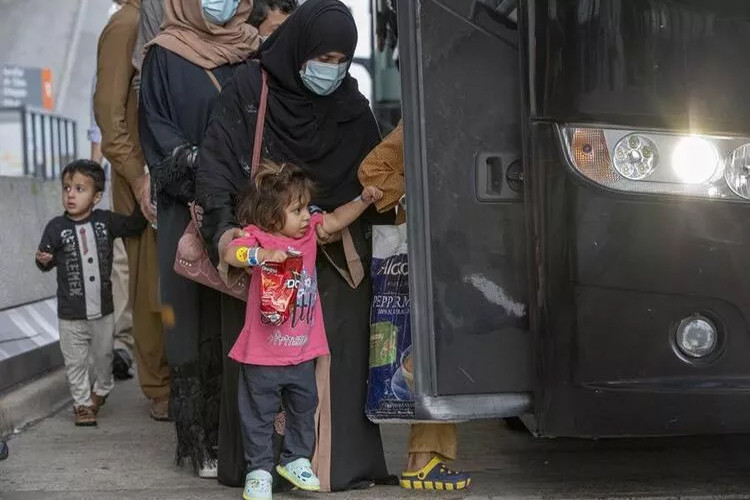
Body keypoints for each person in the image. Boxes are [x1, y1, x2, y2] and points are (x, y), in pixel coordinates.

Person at [197, 0, 395, 489]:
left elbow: (370, 177)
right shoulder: (249, 88)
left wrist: (343, 215)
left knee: (333, 370)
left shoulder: (351, 103)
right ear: (299, 46)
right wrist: (226, 237)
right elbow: (217, 168)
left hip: (332, 257)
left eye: (339, 60)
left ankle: (333, 468)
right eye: (321, 57)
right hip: (259, 261)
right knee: (260, 377)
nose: (330, 70)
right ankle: (260, 473)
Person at [138, 0, 257, 479]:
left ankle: (239, 435)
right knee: (190, 316)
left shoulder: (253, 50)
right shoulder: (162, 55)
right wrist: (196, 164)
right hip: (185, 207)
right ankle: (199, 439)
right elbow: (155, 124)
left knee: (239, 315)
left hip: (241, 205)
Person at [223, 161, 383, 499]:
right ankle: (259, 471)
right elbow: (231, 252)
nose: (306, 216)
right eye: (296, 210)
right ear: (269, 215)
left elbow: (337, 218)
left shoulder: (309, 234)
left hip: (301, 350)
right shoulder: (258, 236)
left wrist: (364, 200)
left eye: (307, 207)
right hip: (262, 355)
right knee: (258, 416)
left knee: (305, 405)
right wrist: (260, 254)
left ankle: (295, 459)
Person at [358, 121, 472, 490]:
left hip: (454, 248)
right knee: (437, 351)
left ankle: (421, 459)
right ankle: (423, 460)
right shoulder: (427, 113)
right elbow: (372, 170)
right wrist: (420, 193)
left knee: (436, 350)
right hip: (432, 250)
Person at [94, 0, 172, 421]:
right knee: (149, 286)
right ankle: (160, 386)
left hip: (168, 172)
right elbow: (110, 116)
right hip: (139, 177)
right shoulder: (127, 24)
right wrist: (136, 174)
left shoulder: (170, 17)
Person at [34, 160, 147, 426]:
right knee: (75, 363)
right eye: (67, 188)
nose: (71, 194)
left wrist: (143, 197)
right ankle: (82, 405)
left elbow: (133, 227)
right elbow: (44, 261)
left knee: (104, 359)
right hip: (70, 315)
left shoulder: (105, 221)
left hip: (102, 313)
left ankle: (102, 390)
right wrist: (43, 259)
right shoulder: (55, 228)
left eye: (80, 189)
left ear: (96, 197)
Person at [88, 0, 136, 382]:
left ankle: (126, 345)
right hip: (126, 171)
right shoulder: (125, 25)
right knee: (125, 262)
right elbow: (106, 112)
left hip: (126, 168)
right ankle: (123, 345)